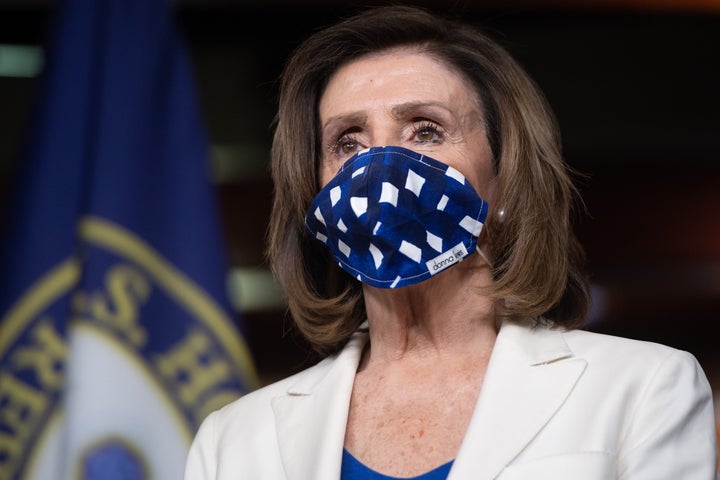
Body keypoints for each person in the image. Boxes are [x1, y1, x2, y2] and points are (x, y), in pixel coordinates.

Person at [184, 5, 718, 479]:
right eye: (348, 142)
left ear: (505, 177)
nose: (380, 166)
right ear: (315, 190)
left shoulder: (643, 388)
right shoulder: (232, 441)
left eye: (424, 130)